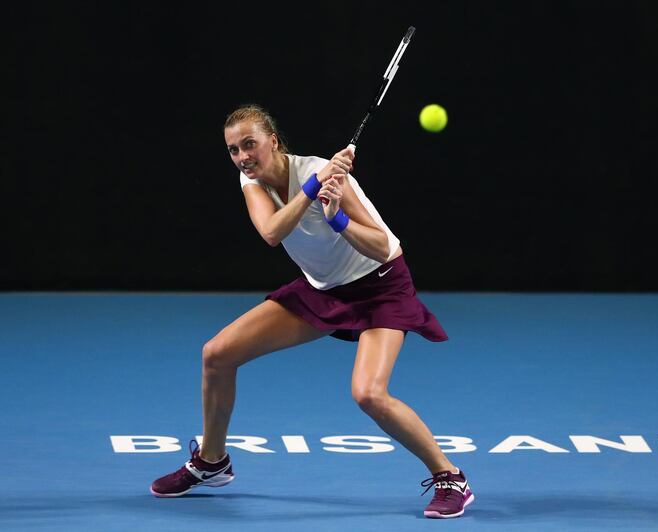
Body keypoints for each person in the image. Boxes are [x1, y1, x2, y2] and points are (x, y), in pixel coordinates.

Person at [149, 104, 474, 518]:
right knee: (217, 354)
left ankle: (451, 478)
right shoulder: (253, 181)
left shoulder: (324, 172)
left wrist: (337, 218)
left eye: (250, 145)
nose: (243, 156)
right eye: (233, 150)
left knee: (369, 393)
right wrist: (310, 192)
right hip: (324, 289)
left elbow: (383, 246)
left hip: (381, 287)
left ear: (274, 142)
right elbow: (271, 232)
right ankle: (212, 462)